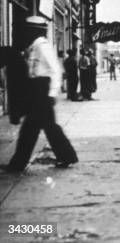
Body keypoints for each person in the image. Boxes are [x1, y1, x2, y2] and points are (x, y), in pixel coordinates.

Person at [2, 16, 78, 172]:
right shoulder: (34, 46)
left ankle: (18, 164)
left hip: (42, 90)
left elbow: (56, 69)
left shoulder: (42, 46)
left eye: (28, 30)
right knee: (41, 127)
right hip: (37, 90)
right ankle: (66, 156)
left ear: (34, 31)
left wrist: (52, 93)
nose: (25, 33)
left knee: (34, 129)